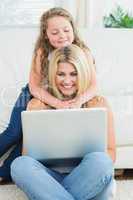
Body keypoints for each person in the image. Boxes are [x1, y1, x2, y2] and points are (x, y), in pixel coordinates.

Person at [0, 7, 98, 182]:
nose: (62, 35)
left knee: (32, 137)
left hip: (66, 95)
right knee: (15, 132)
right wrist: (56, 103)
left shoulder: (83, 52)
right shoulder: (42, 52)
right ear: (46, 34)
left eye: (66, 30)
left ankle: (4, 172)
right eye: (55, 32)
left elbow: (93, 86)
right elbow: (35, 87)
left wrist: (77, 101)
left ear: (73, 30)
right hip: (36, 95)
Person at [11, 44, 116, 200]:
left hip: (88, 176)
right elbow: (28, 155)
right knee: (20, 165)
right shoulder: (37, 106)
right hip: (49, 179)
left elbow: (111, 153)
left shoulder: (98, 103)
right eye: (61, 74)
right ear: (53, 75)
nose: (67, 81)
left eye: (74, 74)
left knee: (102, 161)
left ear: (83, 74)